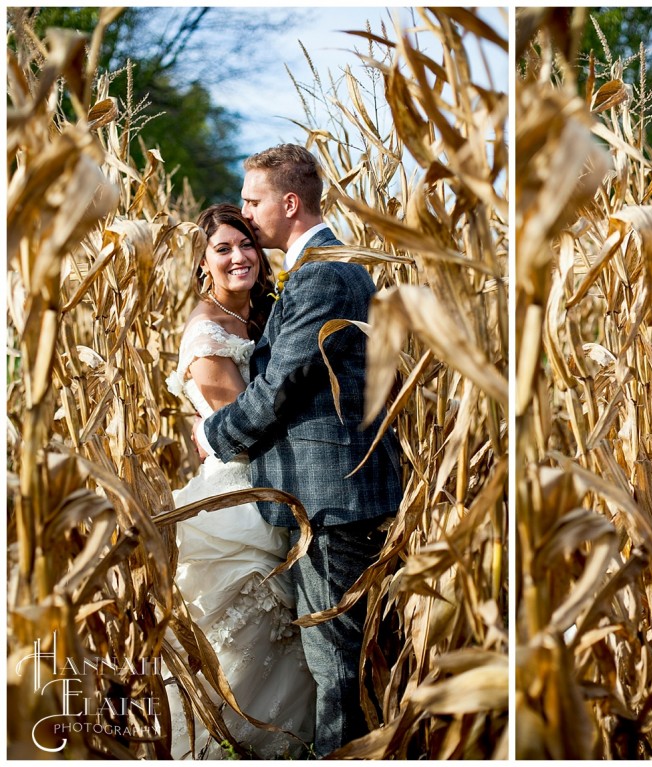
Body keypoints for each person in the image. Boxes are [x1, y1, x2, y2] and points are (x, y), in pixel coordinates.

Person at [193, 144, 404, 757]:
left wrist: (215, 437)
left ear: (289, 203)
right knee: (330, 661)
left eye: (254, 201)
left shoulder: (325, 274)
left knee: (334, 666)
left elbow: (282, 381)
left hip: (331, 500)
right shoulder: (317, 271)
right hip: (322, 494)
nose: (246, 214)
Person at [164, 203, 315, 758]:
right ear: (203, 263)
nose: (238, 257)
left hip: (286, 486)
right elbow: (240, 427)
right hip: (242, 495)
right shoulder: (207, 333)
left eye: (246, 244)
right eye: (222, 249)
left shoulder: (265, 313)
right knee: (248, 633)